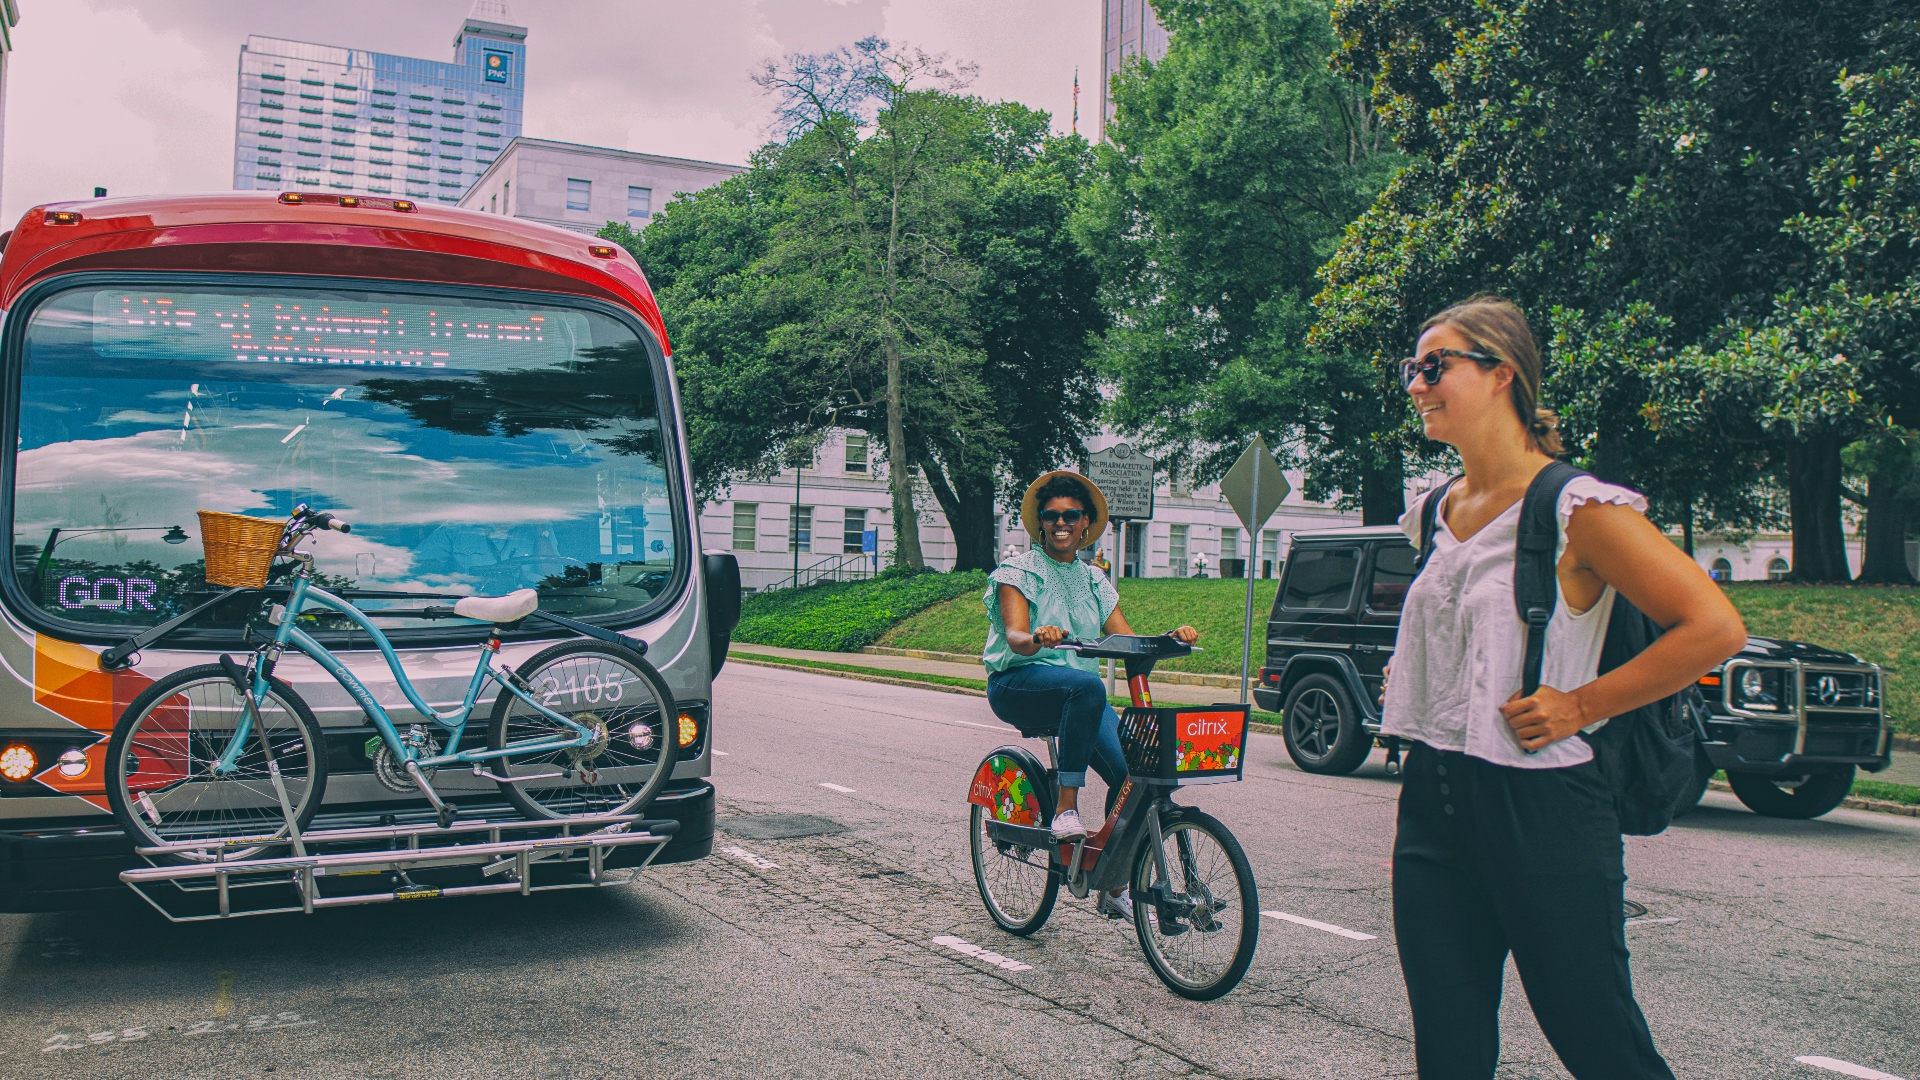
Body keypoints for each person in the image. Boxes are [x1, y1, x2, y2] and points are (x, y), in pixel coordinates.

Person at [1381, 296, 1746, 1080]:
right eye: (1412, 369)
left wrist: (1581, 704)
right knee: (1448, 1050)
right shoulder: (1436, 511)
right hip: (1434, 798)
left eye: (1435, 365)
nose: (1417, 383)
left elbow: (1714, 628)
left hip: (1542, 807)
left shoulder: (1577, 509)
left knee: (1599, 1042)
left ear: (1501, 372)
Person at [983, 470, 1198, 920]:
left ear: (1085, 525)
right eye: (1052, 516)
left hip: (1078, 695)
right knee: (1086, 685)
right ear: (1041, 524)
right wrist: (1039, 637)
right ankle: (1064, 810)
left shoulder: (1095, 581)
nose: (1061, 523)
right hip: (1018, 682)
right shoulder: (1016, 572)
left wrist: (1170, 638)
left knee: (1131, 771)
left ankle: (1114, 882)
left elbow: (1126, 641)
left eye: (1071, 516)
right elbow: (1017, 636)